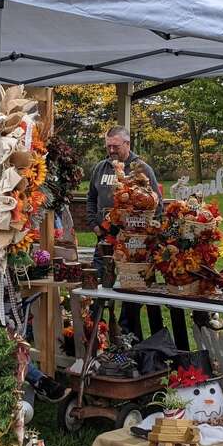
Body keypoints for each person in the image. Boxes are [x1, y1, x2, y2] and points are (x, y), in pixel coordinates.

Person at [86, 125, 162, 337]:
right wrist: (95, 225)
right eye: (108, 146)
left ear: (127, 144)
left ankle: (128, 337)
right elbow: (91, 198)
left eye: (115, 146)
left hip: (133, 243)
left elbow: (158, 205)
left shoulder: (141, 169)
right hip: (106, 239)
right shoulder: (100, 169)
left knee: (132, 293)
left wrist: (140, 230)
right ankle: (95, 334)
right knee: (98, 287)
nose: (111, 150)